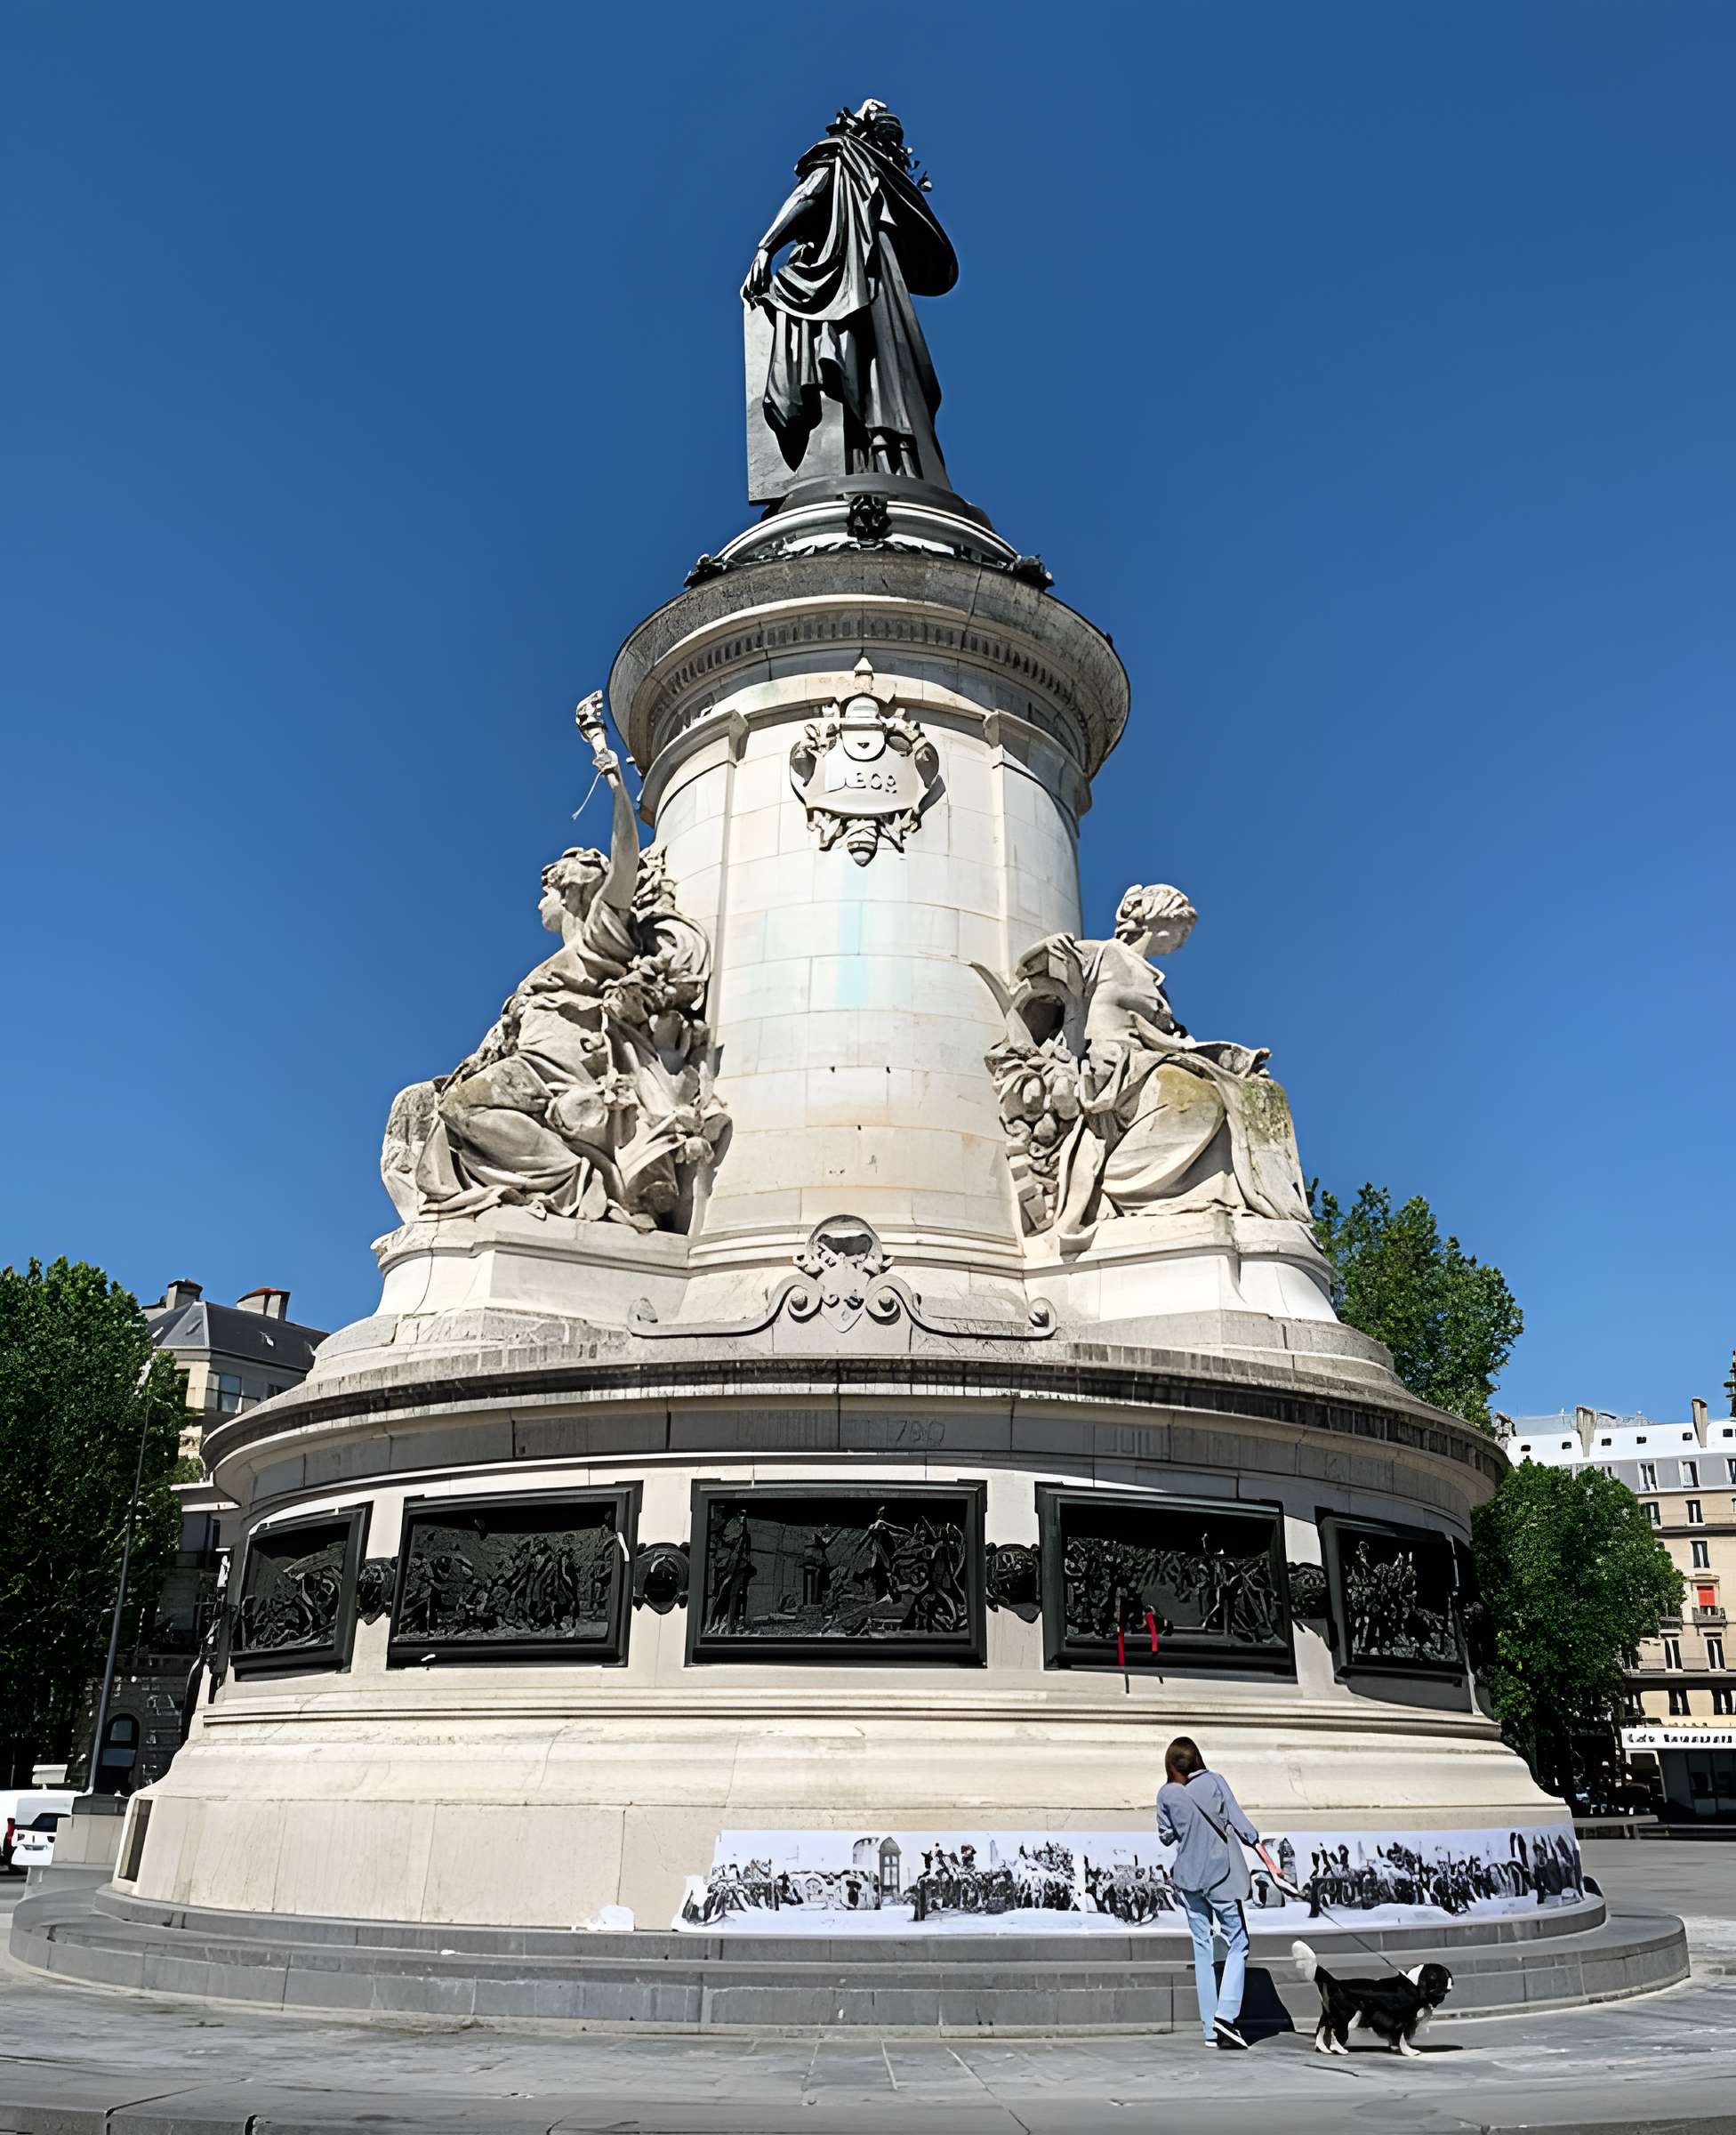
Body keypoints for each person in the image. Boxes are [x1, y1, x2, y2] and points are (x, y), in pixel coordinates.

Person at [1156, 1736, 1273, 2050]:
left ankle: (1210, 2029)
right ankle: (1226, 2015)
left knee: (1202, 1947)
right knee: (1238, 1942)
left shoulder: (1167, 1794)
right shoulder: (1215, 1781)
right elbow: (1242, 1825)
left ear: (1171, 1766)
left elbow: (1166, 1836)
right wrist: (1270, 1863)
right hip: (1220, 1876)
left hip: (1189, 1878)